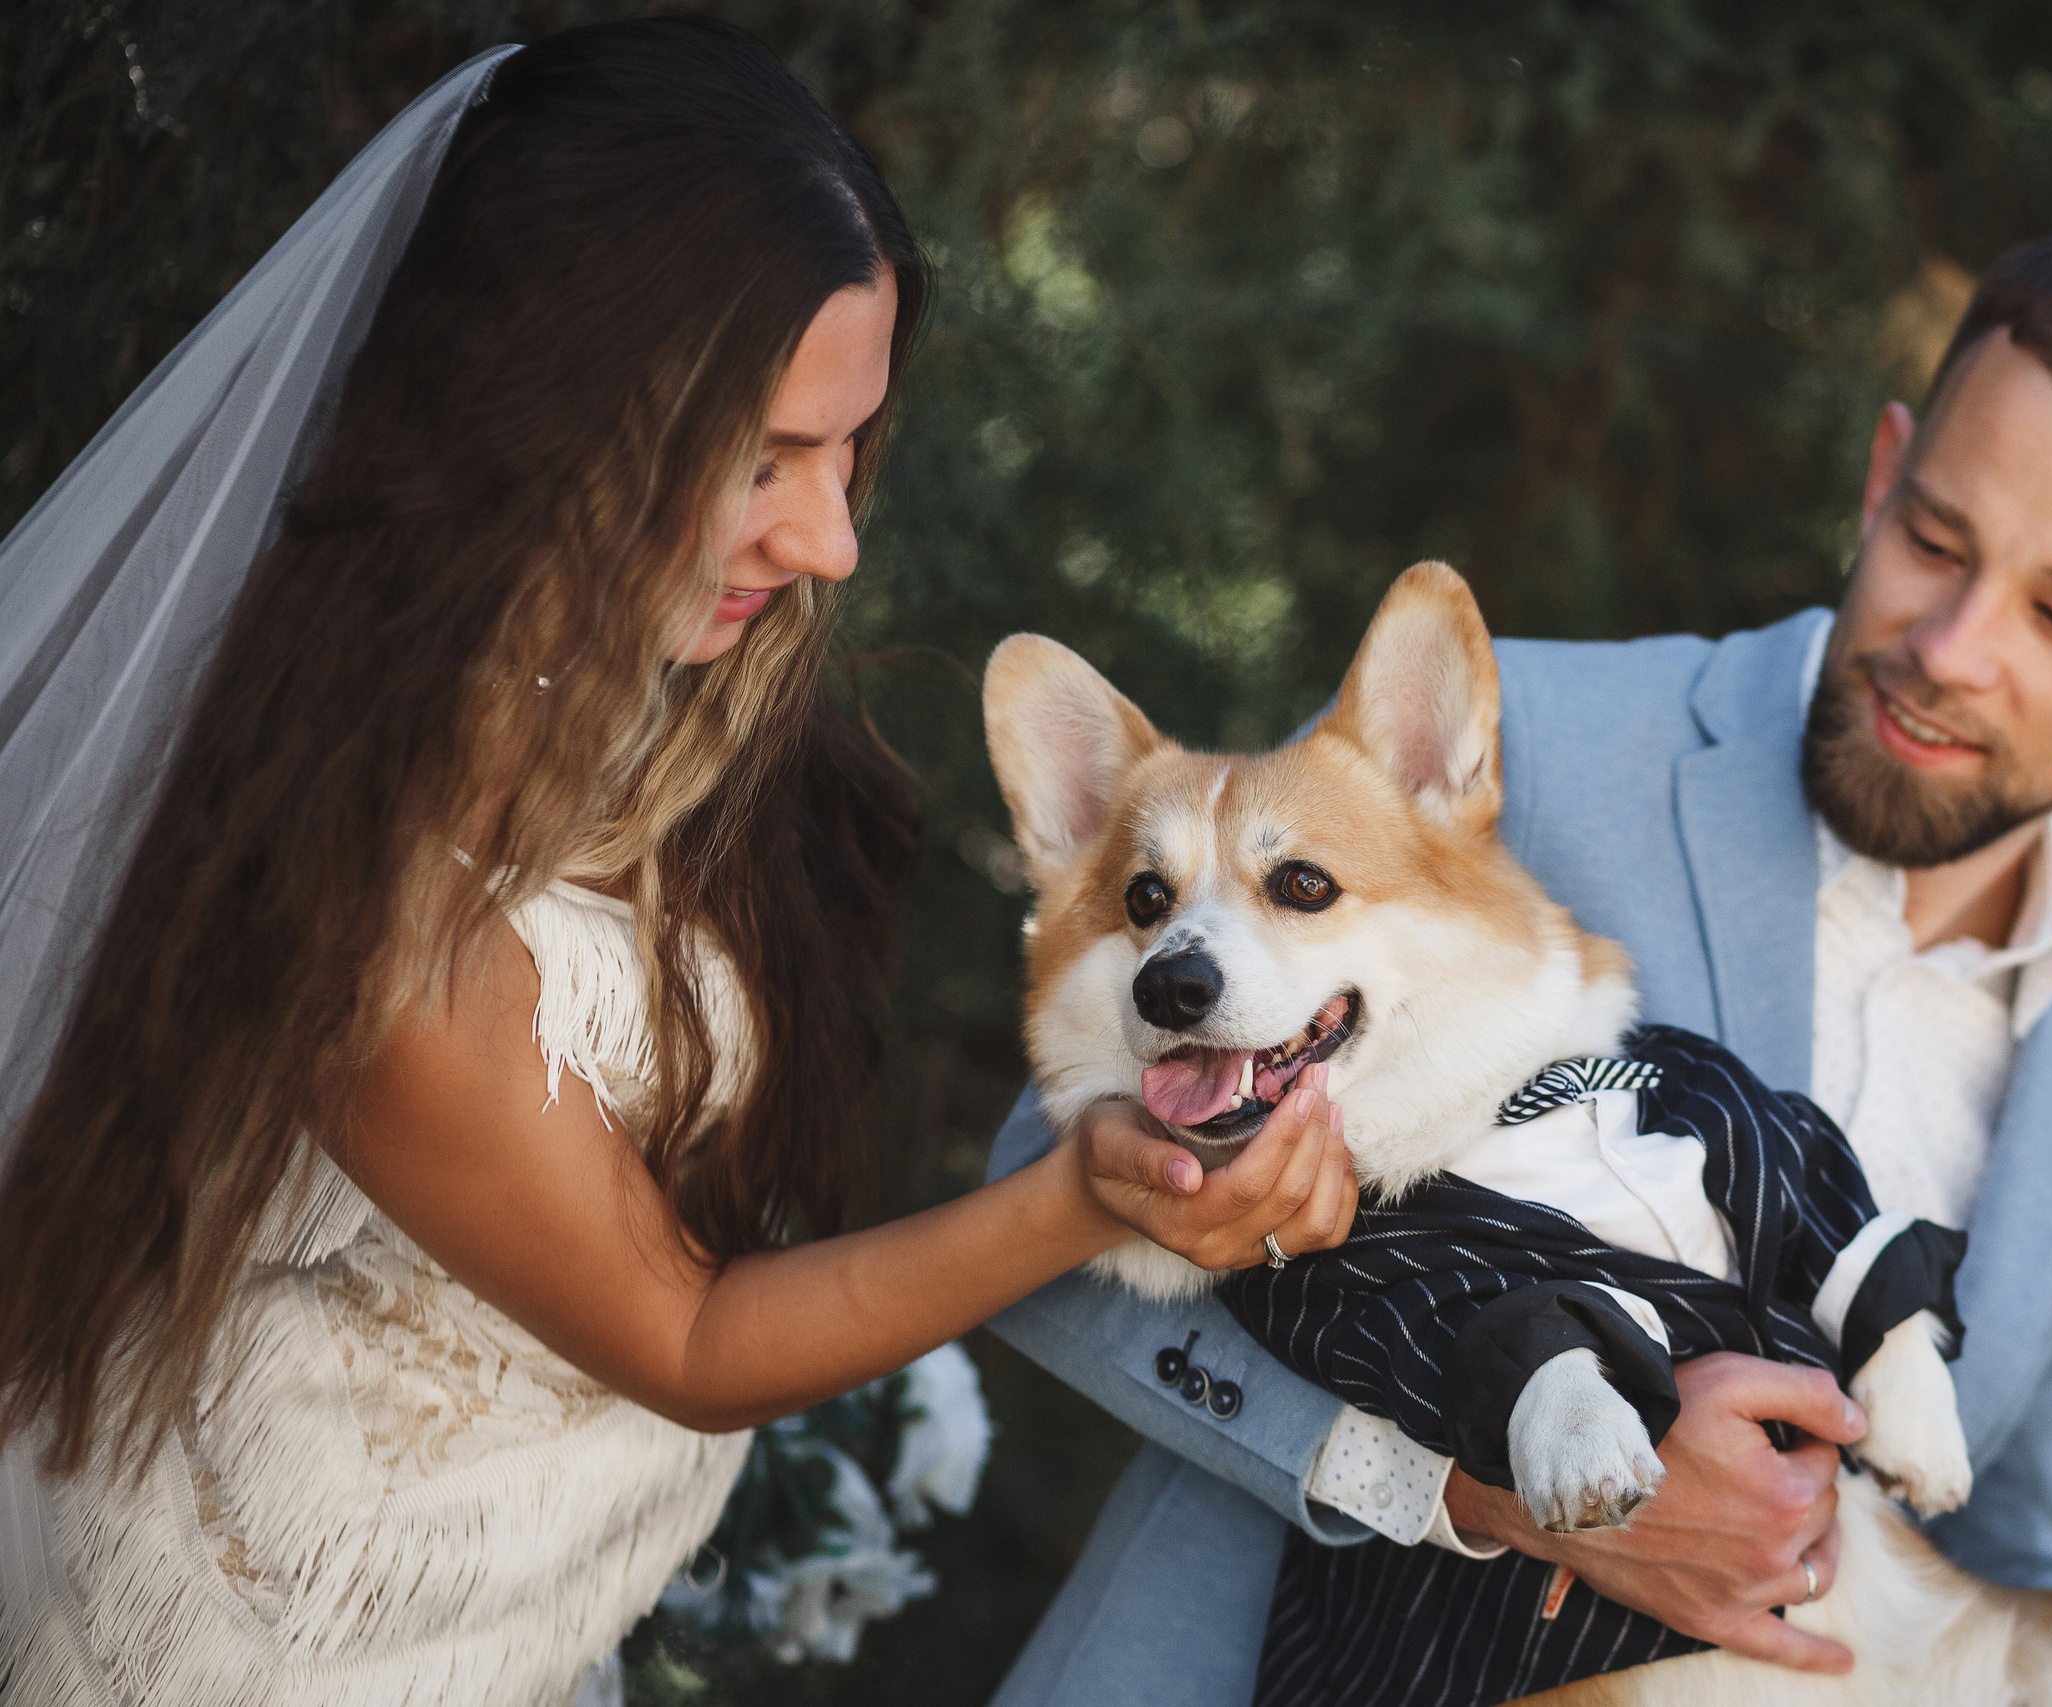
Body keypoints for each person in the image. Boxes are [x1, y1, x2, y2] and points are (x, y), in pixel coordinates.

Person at [0, 21, 1352, 1707]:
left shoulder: (651, 694)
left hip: (506, 1616)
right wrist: (1083, 1195)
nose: (831, 540)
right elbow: (690, 1339)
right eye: (763, 461)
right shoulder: (366, 882)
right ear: (540, 413)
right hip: (276, 1646)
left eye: (849, 448)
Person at [983, 225, 2052, 1703]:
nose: (1953, 645)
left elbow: (1997, 1547)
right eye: (1935, 542)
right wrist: (1465, 1484)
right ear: (1882, 478)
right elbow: (1042, 1231)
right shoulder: (1496, 758)